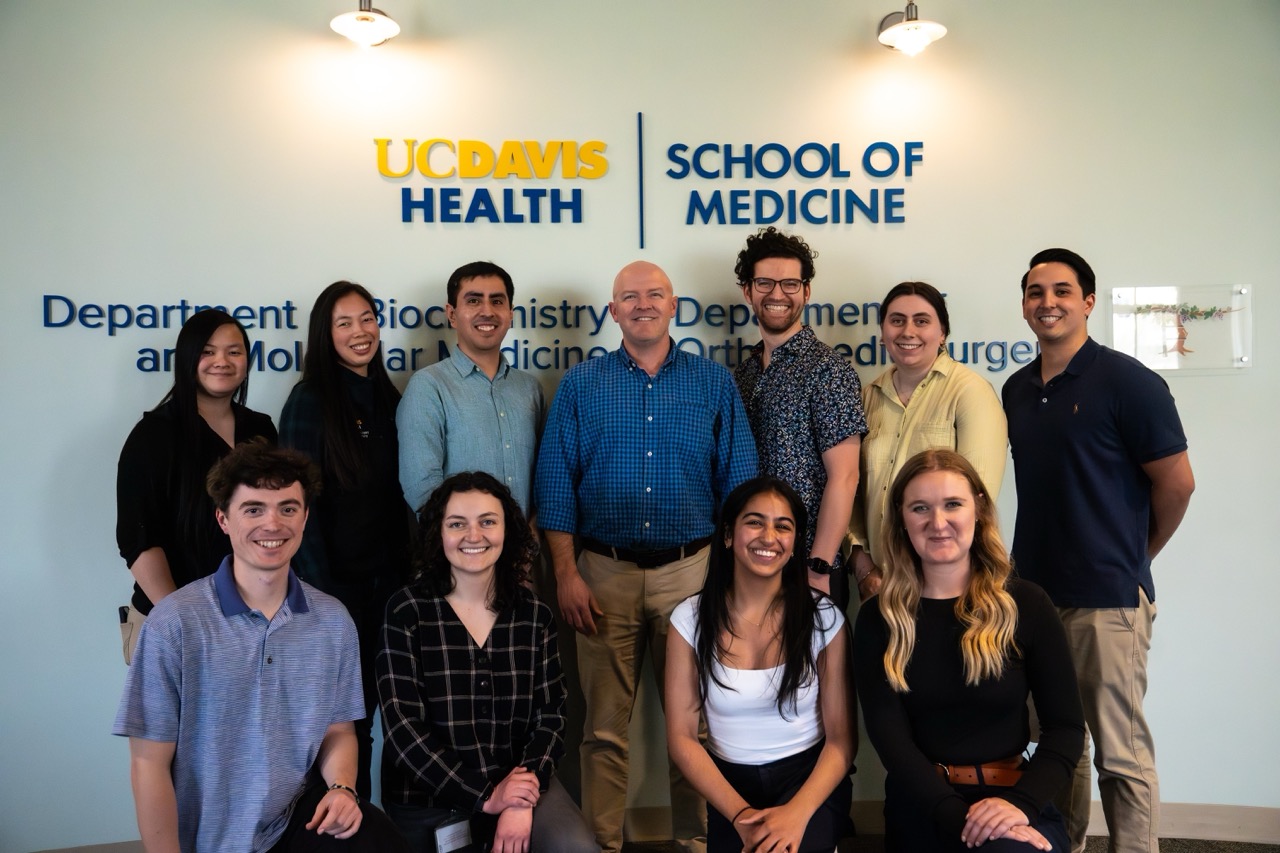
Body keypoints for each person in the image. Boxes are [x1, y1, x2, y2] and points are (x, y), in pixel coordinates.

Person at [535, 260, 758, 853]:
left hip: (694, 571)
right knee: (603, 732)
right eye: (628, 297)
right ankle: (601, 845)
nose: (642, 305)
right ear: (613, 311)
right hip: (600, 575)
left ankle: (695, 844)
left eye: (653, 294)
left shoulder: (713, 385)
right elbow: (555, 488)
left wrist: (732, 586)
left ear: (674, 305)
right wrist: (566, 573)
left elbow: (741, 489)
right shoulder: (582, 385)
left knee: (696, 727)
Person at [113, 440, 408, 853]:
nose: (273, 524)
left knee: (381, 841)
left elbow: (339, 730)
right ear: (223, 519)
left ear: (305, 518)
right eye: (253, 509)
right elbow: (149, 764)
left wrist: (342, 788)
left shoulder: (333, 620)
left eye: (288, 508)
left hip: (292, 821)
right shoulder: (175, 622)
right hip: (209, 838)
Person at [1003, 248, 1194, 853]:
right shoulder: (1015, 389)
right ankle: (1065, 845)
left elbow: (1178, 482)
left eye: (1062, 291)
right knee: (1061, 744)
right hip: (1033, 596)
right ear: (1025, 305)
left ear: (1087, 301)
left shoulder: (1128, 382)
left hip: (1107, 597)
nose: (1048, 302)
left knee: (1120, 753)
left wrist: (1136, 555)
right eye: (1036, 292)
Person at [853, 449, 1085, 853]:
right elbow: (891, 742)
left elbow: (1065, 731)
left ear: (978, 509)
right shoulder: (879, 618)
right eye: (920, 508)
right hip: (924, 805)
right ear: (902, 520)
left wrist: (1018, 807)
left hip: (1013, 800)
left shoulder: (1026, 604)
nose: (937, 522)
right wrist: (963, 819)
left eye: (952, 504)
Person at [377, 472, 596, 853]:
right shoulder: (406, 610)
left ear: (507, 530)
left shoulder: (534, 615)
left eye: (487, 522)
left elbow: (552, 715)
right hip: (429, 796)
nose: (473, 536)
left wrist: (519, 795)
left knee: (574, 847)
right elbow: (403, 731)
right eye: (457, 524)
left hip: (521, 778)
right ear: (437, 533)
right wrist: (486, 797)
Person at [666, 477, 854, 853]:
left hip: (808, 784)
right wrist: (742, 818)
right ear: (728, 535)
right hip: (730, 790)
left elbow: (842, 742)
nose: (769, 536)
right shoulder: (689, 619)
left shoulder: (825, 618)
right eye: (754, 521)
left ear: (794, 542)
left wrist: (796, 814)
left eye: (783, 526)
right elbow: (682, 739)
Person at [280, 280, 413, 800]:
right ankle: (341, 828)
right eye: (344, 323)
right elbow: (296, 506)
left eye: (367, 319)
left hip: (394, 589)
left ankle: (398, 834)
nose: (360, 332)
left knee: (402, 718)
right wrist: (320, 598)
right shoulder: (310, 399)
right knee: (346, 723)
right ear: (324, 333)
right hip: (337, 594)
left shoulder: (388, 394)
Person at [115, 308, 277, 663]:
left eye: (234, 351)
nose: (222, 361)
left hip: (251, 618)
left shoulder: (261, 430)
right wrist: (188, 621)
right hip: (173, 621)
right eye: (207, 351)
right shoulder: (154, 435)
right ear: (188, 357)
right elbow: (139, 540)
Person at [732, 227, 866, 609]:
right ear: (748, 290)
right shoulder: (743, 374)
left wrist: (819, 566)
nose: (777, 294)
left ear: (806, 291)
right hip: (751, 561)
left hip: (807, 567)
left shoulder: (828, 370)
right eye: (765, 283)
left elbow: (845, 476)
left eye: (790, 283)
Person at [849, 281, 1006, 602]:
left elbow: (977, 500)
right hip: (879, 586)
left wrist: (926, 578)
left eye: (922, 321)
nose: (908, 331)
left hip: (949, 586)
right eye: (897, 320)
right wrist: (863, 566)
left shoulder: (970, 392)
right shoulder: (867, 397)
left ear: (943, 332)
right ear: (882, 333)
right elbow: (850, 490)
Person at [398, 261, 545, 517]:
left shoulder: (530, 389)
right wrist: (472, 537)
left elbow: (543, 477)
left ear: (511, 313)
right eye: (474, 301)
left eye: (497, 301)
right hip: (462, 551)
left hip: (523, 552)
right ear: (452, 314)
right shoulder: (428, 387)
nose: (487, 311)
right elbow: (421, 487)